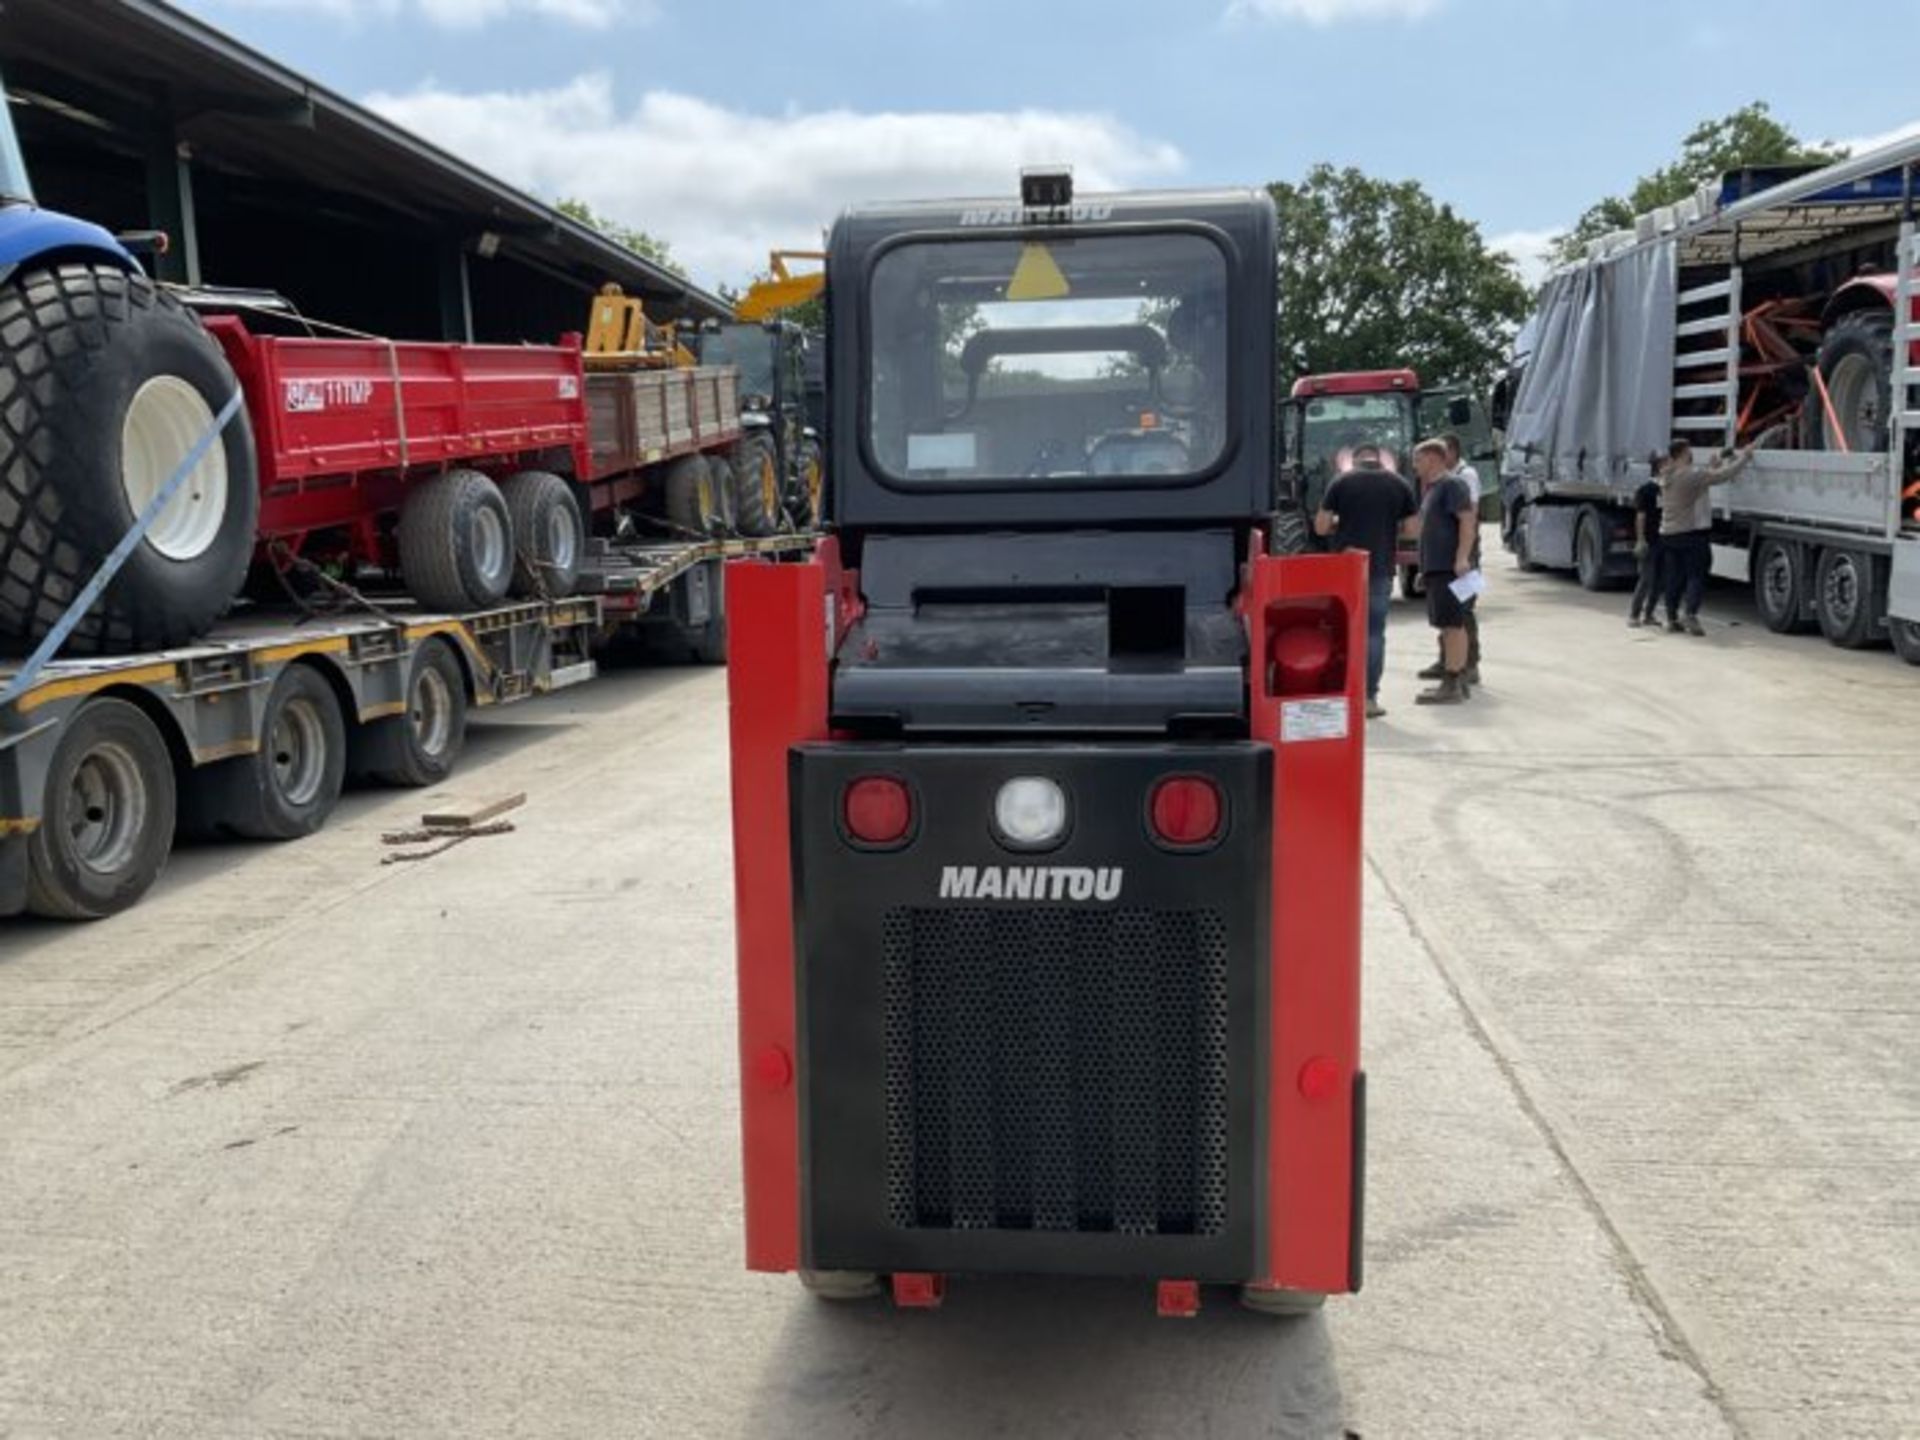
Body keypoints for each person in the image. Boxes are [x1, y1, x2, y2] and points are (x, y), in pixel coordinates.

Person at [1315, 443, 1418, 720]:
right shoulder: (1399, 484)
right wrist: (1386, 526)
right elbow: (1412, 530)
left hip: (1346, 570)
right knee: (1374, 634)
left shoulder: (1341, 482)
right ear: (1379, 458)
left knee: (1342, 631)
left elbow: (1321, 527)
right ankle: (1369, 698)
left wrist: (1342, 524)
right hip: (1381, 569)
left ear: (1356, 459)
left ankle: (1340, 695)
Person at [1659, 437, 1754, 635]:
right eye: (1689, 451)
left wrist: (1710, 467)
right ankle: (1690, 615)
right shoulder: (1691, 475)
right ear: (1683, 454)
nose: (1691, 453)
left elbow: (1700, 479)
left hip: (1669, 534)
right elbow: (1724, 475)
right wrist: (1744, 457)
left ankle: (1671, 618)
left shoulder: (1667, 474)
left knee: (1674, 578)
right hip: (1690, 535)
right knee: (1696, 575)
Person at [1411, 439, 1478, 705]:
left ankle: (1452, 682)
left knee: (1453, 625)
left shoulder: (1452, 485)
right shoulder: (1433, 489)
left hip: (1451, 568)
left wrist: (1461, 558)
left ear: (1431, 458)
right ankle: (1455, 679)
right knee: (1449, 624)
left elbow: (1467, 522)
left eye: (1417, 460)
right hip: (1437, 567)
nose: (1415, 466)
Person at [1628, 453, 1665, 627]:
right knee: (1646, 579)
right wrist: (1641, 539)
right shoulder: (1646, 490)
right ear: (1660, 467)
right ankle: (1633, 615)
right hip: (1650, 540)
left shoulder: (1667, 489)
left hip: (1664, 540)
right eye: (1667, 464)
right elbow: (1640, 516)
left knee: (1659, 580)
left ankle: (1649, 614)